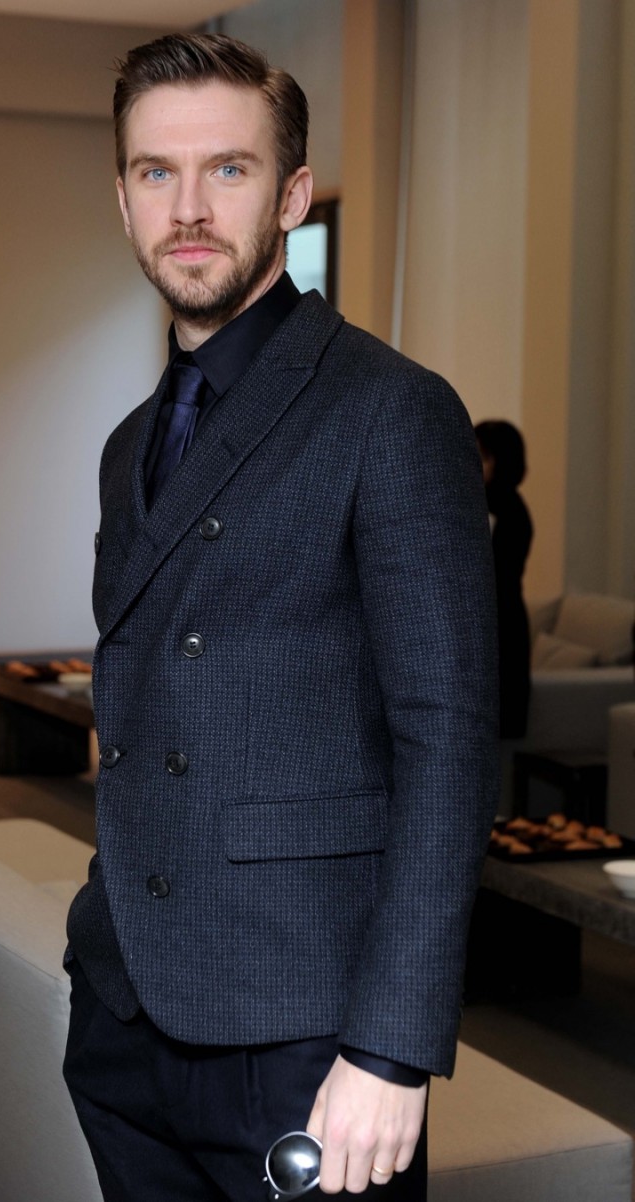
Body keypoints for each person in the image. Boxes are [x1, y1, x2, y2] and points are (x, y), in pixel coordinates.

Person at [63, 33, 498, 1202]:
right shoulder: (128, 447)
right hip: (123, 1007)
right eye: (156, 173)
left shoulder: (391, 411)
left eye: (229, 170)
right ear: (122, 197)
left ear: (292, 193)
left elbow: (449, 738)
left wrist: (389, 1047)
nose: (189, 207)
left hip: (302, 1036)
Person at [475, 420, 533, 739]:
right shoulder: (483, 504)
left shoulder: (509, 511)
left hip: (502, 629)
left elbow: (495, 578)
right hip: (495, 625)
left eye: (483, 456)